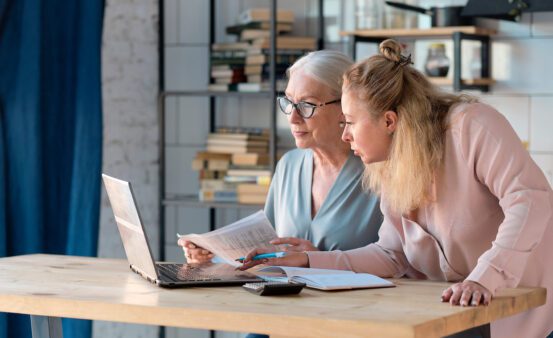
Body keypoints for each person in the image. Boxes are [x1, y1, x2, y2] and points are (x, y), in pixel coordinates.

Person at [240, 40, 553, 338]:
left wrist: (485, 278)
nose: (345, 135)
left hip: (529, 314)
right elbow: (392, 255)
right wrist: (308, 261)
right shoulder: (390, 161)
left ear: (389, 121)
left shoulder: (471, 126)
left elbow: (531, 200)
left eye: (349, 122)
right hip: (459, 314)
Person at [178, 50, 382, 263]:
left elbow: (399, 262)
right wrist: (210, 258)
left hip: (359, 297)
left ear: (345, 106)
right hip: (288, 296)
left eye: (306, 105)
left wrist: (319, 260)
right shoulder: (289, 165)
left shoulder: (379, 171)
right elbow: (267, 251)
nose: (292, 118)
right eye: (289, 102)